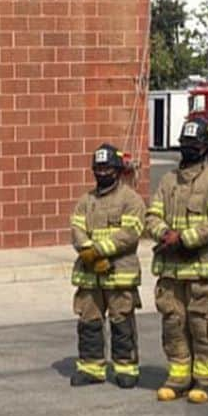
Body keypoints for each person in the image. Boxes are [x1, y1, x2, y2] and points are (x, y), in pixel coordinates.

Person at [144, 117, 208, 404]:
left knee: (202, 325)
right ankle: (179, 376)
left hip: (203, 270)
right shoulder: (168, 181)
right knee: (174, 323)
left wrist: (185, 239)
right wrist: (164, 234)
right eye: (185, 143)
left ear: (207, 147)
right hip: (172, 270)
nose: (189, 149)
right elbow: (151, 216)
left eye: (195, 144)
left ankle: (205, 380)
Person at [68, 143, 146, 387]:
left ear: (118, 170)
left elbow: (130, 232)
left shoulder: (131, 200)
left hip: (119, 273)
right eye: (98, 169)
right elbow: (77, 229)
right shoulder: (85, 201)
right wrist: (87, 251)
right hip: (90, 275)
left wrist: (98, 251)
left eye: (107, 169)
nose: (102, 173)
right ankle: (91, 368)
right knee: (88, 321)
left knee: (121, 322)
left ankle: (126, 369)